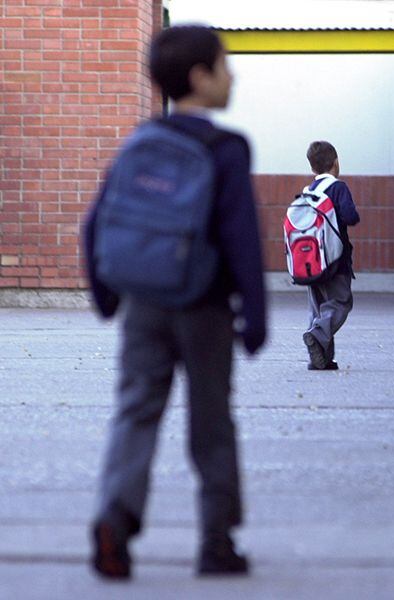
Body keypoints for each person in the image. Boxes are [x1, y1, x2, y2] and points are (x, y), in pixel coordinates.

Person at [83, 25, 267, 579]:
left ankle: (115, 518)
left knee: (136, 411)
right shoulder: (226, 148)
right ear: (199, 77)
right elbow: (241, 237)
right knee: (211, 422)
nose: (232, 75)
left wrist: (105, 295)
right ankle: (216, 542)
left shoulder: (140, 141)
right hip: (204, 307)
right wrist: (255, 314)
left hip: (143, 302)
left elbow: (95, 223)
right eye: (225, 65)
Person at [300, 141, 360, 370]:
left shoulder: (308, 191)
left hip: (311, 261)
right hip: (336, 260)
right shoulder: (338, 188)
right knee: (340, 302)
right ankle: (317, 335)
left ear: (312, 168)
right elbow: (350, 216)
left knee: (318, 307)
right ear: (336, 162)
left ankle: (321, 358)